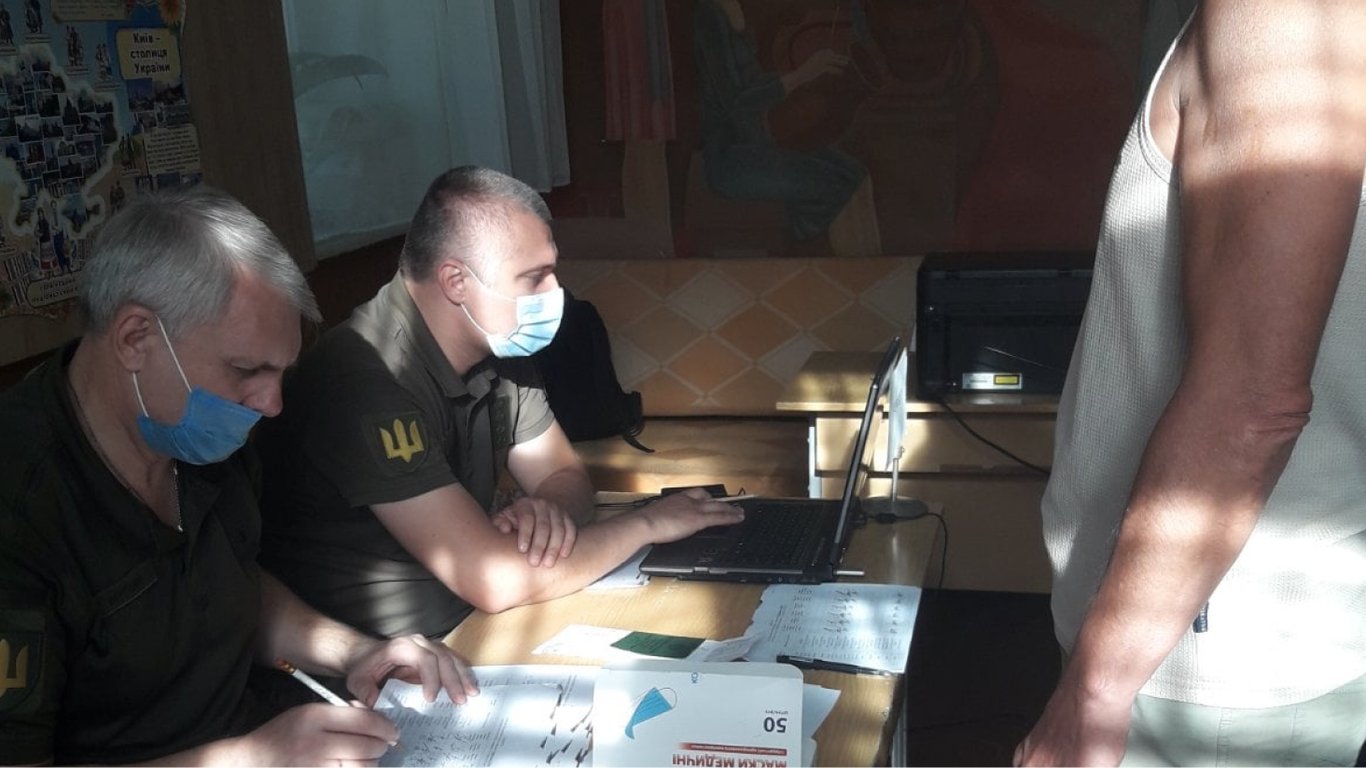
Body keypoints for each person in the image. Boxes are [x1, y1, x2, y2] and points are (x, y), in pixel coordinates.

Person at [0, 186, 479, 765]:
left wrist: (354, 652)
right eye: (247, 369)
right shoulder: (22, 507)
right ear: (135, 338)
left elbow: (231, 587)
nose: (271, 405)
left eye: (280, 373)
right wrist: (249, 757)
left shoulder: (203, 438)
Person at [1015, 1, 1366, 765]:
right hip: (1240, 634)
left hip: (1200, 656)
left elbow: (1255, 404)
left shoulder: (1284, 16)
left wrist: (1092, 696)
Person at [256, 166, 746, 640]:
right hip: (387, 660)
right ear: (456, 282)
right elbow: (495, 580)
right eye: (534, 277)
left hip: (472, 623)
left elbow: (564, 475)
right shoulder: (367, 377)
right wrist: (648, 523)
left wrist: (546, 514)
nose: (556, 293)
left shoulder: (497, 345)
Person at [692, 0, 880, 257]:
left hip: (759, 142)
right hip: (730, 159)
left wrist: (811, 73)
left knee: (857, 175)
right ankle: (808, 252)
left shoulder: (737, 9)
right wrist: (801, 75)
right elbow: (735, 103)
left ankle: (859, 268)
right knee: (834, 185)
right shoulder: (708, 15)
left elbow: (753, 83)